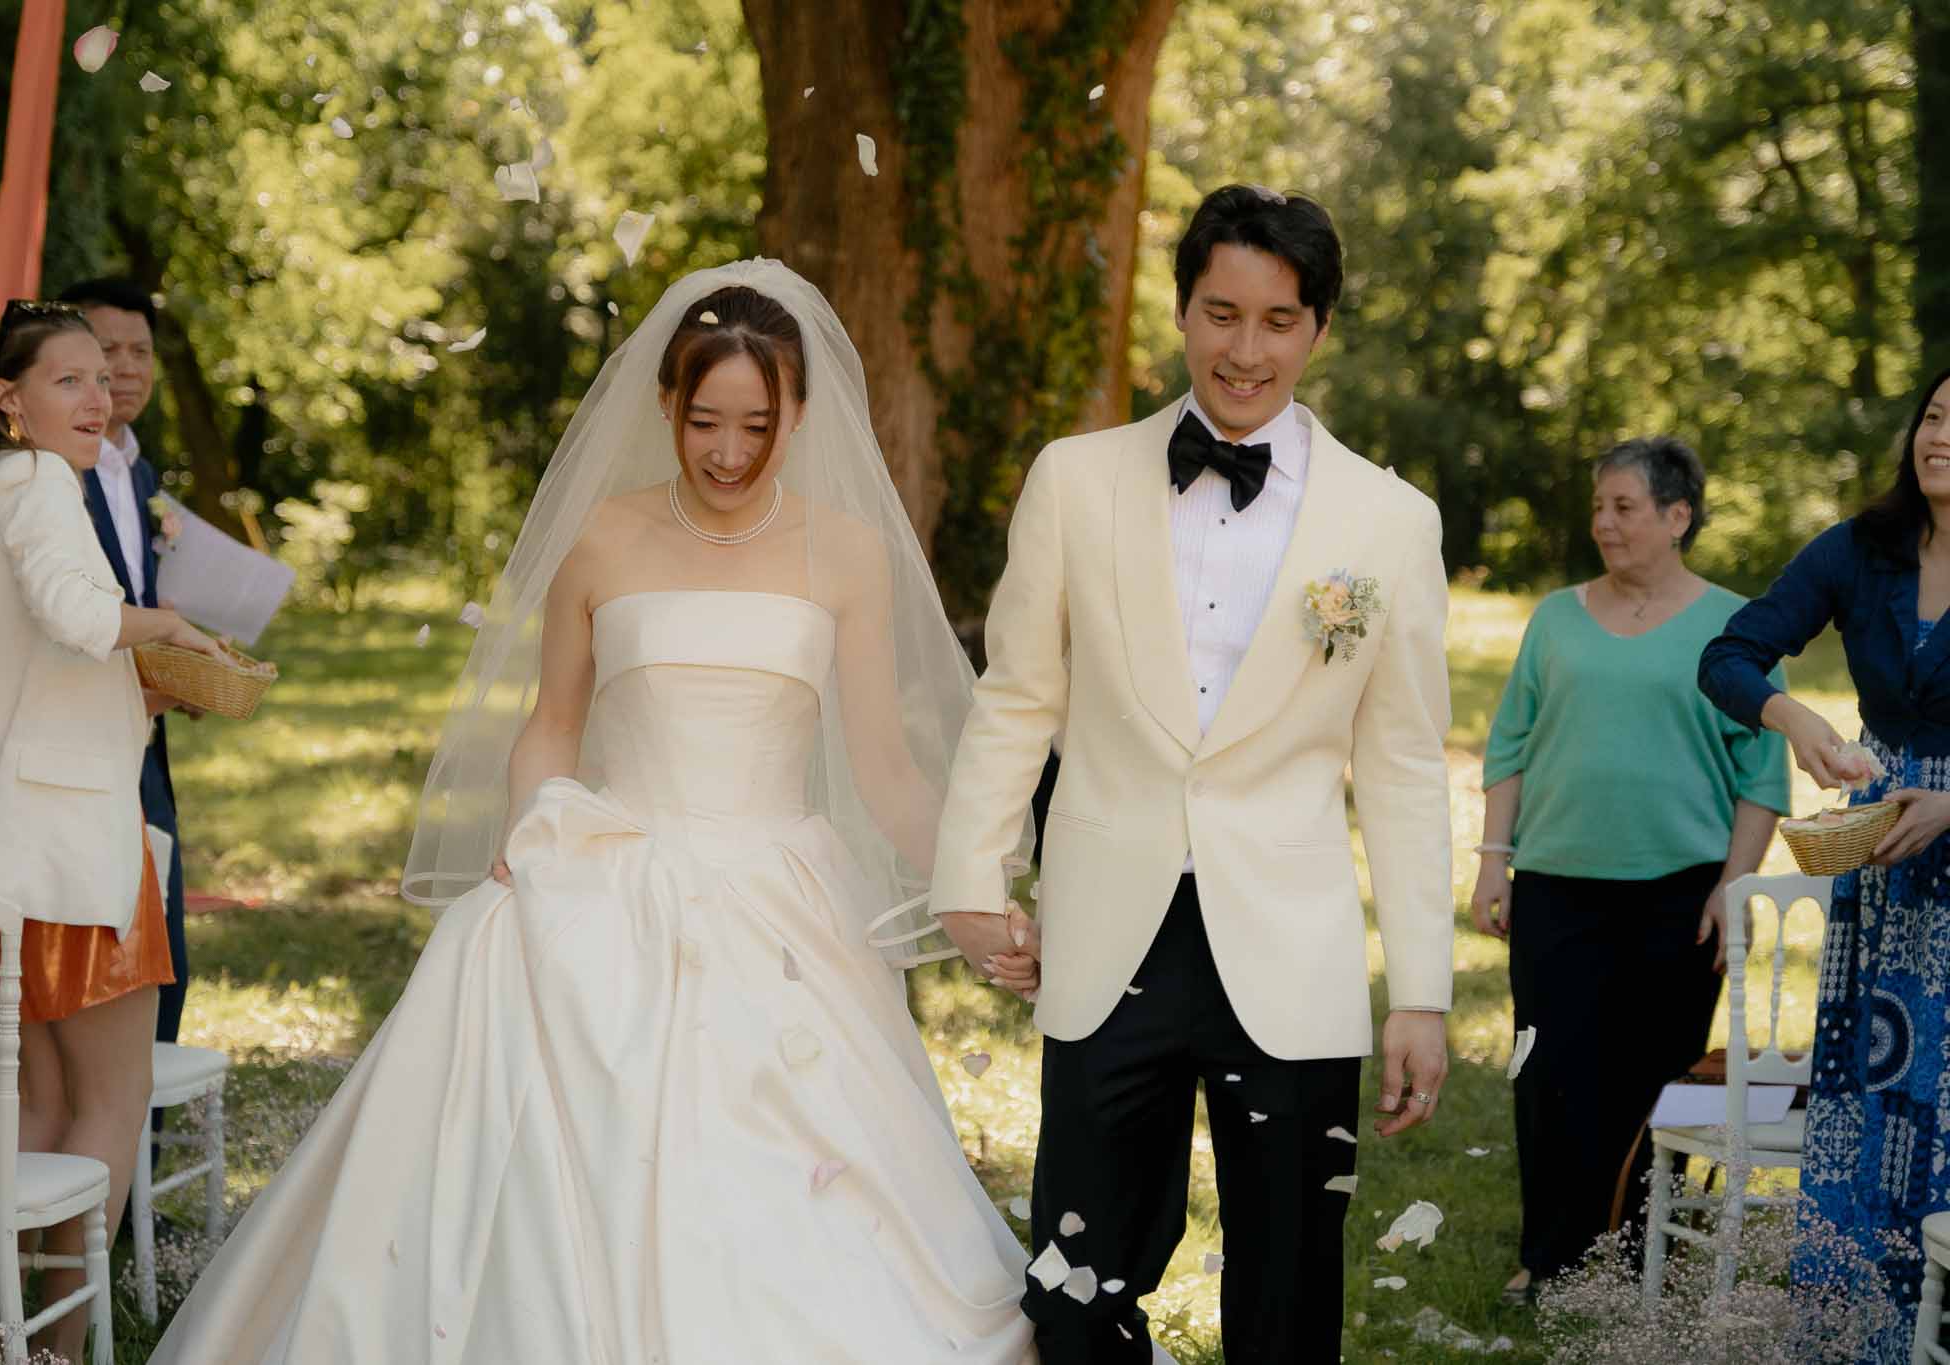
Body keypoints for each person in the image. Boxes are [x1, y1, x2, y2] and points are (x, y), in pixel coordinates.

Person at [150, 260, 1040, 1363]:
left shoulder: (845, 553)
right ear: (665, 403)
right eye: (703, 419)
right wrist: (535, 830)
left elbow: (886, 771)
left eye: (755, 426)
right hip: (607, 867)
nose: (725, 452)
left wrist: (969, 901)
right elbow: (551, 723)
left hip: (779, 894)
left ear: (798, 414)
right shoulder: (604, 537)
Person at [930, 185, 1455, 1362]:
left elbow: (1406, 763)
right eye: (1220, 314)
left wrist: (1421, 985)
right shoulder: (1073, 479)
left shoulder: (1388, 521)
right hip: (1108, 922)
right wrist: (970, 873)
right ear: (1178, 312)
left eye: (1276, 321)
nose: (1244, 350)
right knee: (1076, 1275)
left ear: (1316, 329)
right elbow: (1018, 693)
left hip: (1292, 939)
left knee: (1286, 1292)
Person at [0, 299, 216, 1363]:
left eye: (104, 379)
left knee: (44, 1112)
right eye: (69, 380)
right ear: (8, 399)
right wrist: (171, 627)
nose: (98, 398)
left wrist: (140, 688)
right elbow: (82, 617)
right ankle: (58, 1349)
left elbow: (47, 674)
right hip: (68, 856)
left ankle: (12, 1343)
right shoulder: (45, 485)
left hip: (0, 864)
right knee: (112, 1100)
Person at [1471, 436, 1791, 1302]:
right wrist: (1494, 861)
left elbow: (1762, 774)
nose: (1603, 523)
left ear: (1677, 515)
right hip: (1556, 883)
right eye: (1599, 506)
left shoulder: (1738, 628)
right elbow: (1510, 746)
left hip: (1679, 893)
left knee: (1657, 1079)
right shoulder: (1554, 618)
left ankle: (1640, 1259)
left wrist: (1734, 884)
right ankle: (1551, 1257)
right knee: (1550, 1073)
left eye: (1624, 507)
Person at [1699, 366, 1950, 1359]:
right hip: (1878, 875)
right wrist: (1794, 718)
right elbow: (1725, 655)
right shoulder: (1858, 549)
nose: (1940, 435)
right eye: (1932, 416)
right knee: (1865, 1099)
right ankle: (1850, 1341)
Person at [58, 277, 194, 1053]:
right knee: (109, 960)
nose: (127, 369)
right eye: (107, 351)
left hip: (143, 740)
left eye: (140, 351)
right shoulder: (54, 477)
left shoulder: (139, 472)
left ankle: (139, 1141)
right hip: (79, 742)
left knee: (166, 947)